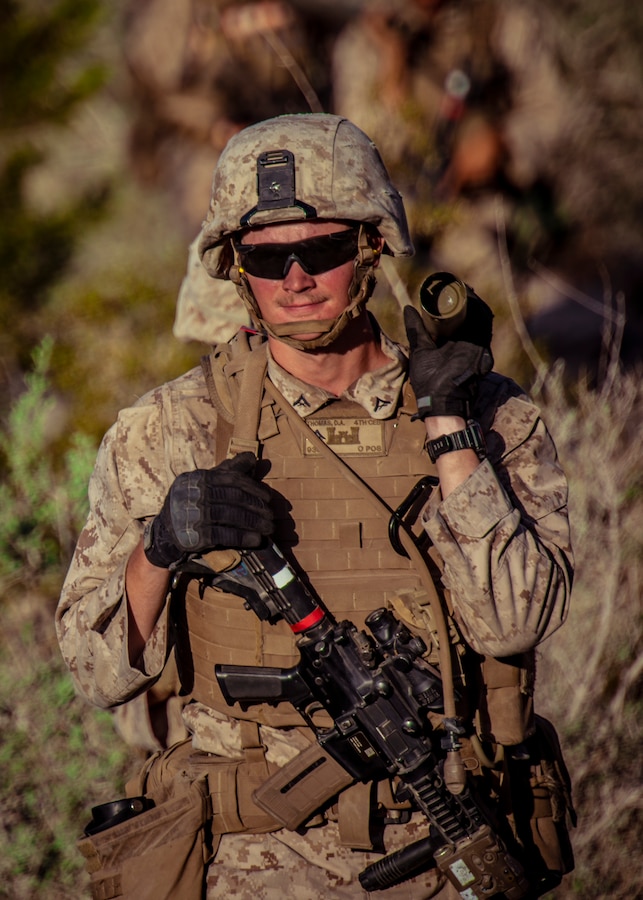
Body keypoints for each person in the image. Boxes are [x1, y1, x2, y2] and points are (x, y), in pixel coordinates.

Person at [56, 113, 575, 899]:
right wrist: (159, 549)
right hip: (255, 865)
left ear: (371, 248)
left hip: (448, 847)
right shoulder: (168, 430)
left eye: (322, 250)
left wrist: (447, 430)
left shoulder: (488, 413)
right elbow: (96, 676)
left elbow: (514, 623)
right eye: (266, 259)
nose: (295, 279)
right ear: (234, 268)